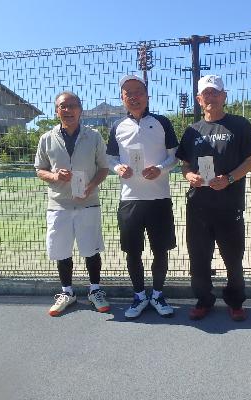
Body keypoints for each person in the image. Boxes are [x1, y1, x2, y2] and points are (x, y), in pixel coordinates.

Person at [176, 75, 251, 322]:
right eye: (206, 93)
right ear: (199, 99)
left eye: (215, 92)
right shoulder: (192, 130)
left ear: (224, 96)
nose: (211, 97)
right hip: (198, 207)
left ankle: (235, 302)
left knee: (233, 259)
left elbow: (250, 161)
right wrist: (190, 175)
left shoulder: (239, 125)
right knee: (199, 258)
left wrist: (230, 178)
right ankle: (204, 300)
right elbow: (184, 165)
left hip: (229, 205)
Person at [106, 75, 179, 319]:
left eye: (138, 91)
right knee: (133, 252)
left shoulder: (162, 122)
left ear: (147, 96)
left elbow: (174, 157)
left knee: (160, 250)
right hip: (130, 200)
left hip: (159, 199)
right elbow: (110, 158)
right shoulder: (117, 126)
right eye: (128, 93)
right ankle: (139, 296)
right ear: (122, 98)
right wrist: (118, 168)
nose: (134, 96)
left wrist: (160, 169)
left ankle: (157, 294)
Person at [34, 91, 111, 317]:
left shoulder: (94, 136)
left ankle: (95, 290)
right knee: (61, 251)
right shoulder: (46, 138)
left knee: (91, 249)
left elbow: (104, 168)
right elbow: (39, 169)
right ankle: (67, 292)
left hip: (88, 202)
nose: (68, 110)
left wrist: (91, 186)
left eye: (73, 106)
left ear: (80, 110)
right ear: (56, 111)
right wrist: (54, 176)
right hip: (59, 204)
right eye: (63, 106)